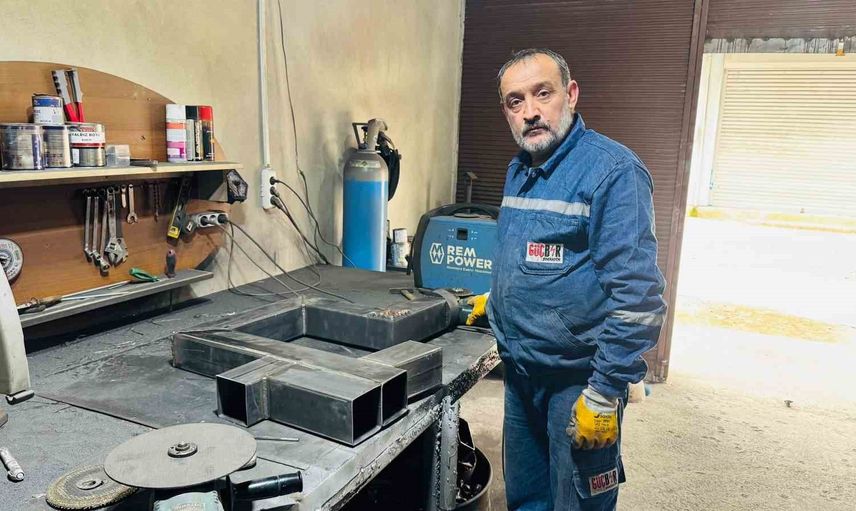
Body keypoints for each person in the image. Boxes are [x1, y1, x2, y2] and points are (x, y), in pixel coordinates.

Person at [466, 48, 667, 510]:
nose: (530, 112)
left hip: (579, 381)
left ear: (571, 95)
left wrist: (604, 392)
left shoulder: (614, 172)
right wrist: (498, 301)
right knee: (526, 498)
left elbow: (639, 298)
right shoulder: (521, 168)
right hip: (522, 374)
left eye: (543, 93)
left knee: (576, 502)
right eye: (515, 101)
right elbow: (532, 256)